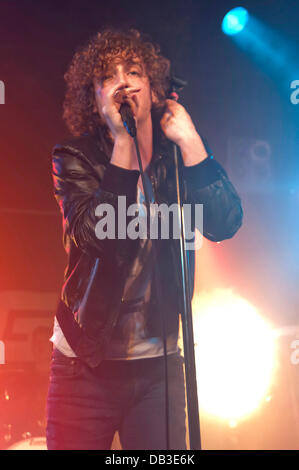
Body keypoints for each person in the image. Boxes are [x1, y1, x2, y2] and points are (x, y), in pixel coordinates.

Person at [46, 28, 243, 450]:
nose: (123, 82)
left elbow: (224, 223)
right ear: (95, 100)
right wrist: (122, 142)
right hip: (85, 366)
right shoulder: (74, 157)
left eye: (133, 71)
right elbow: (101, 239)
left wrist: (191, 142)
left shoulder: (178, 155)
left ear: (153, 90)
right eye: (107, 77)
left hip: (159, 369)